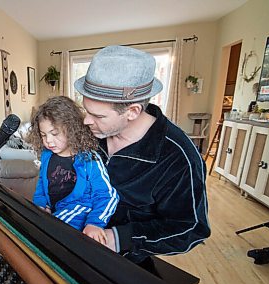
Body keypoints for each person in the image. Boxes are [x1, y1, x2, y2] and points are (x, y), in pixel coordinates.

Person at [74, 45, 210, 264]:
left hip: (124, 260)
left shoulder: (178, 158)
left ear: (133, 111)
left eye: (97, 115)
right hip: (75, 238)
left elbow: (189, 229)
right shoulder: (93, 133)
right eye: (86, 111)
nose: (86, 121)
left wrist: (118, 238)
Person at [29, 96, 119, 245]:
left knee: (45, 237)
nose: (48, 141)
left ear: (71, 130)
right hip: (56, 211)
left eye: (55, 133)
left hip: (80, 214)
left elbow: (108, 195)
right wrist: (39, 205)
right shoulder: (46, 155)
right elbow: (42, 183)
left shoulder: (89, 159)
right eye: (43, 135)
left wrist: (95, 223)